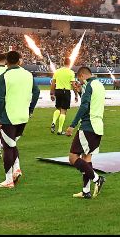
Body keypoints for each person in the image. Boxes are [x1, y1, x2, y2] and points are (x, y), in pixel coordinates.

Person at [0, 51, 40, 189]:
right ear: (20, 60)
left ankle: (8, 180)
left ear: (6, 61)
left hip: (9, 116)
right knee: (12, 143)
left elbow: (0, 99)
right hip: (23, 116)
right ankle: (17, 168)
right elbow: (36, 92)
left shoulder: (4, 76)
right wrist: (30, 108)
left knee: (8, 147)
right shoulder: (28, 74)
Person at [65, 66, 106, 199]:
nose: (80, 82)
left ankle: (96, 179)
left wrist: (72, 125)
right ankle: (86, 191)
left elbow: (84, 106)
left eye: (79, 79)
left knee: (73, 158)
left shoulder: (89, 85)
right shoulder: (99, 85)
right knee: (86, 159)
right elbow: (91, 102)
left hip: (89, 126)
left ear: (82, 75)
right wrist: (80, 92)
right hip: (98, 126)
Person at [50, 57, 78, 136]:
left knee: (58, 108)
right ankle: (59, 130)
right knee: (63, 111)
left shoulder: (57, 72)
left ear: (63, 63)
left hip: (58, 91)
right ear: (69, 64)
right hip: (66, 91)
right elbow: (73, 84)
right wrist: (76, 95)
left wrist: (52, 93)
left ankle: (54, 121)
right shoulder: (71, 72)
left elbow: (53, 83)